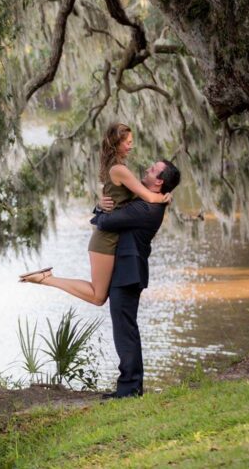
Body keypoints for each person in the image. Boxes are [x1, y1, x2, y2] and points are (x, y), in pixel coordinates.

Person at [18, 123, 170, 305]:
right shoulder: (119, 169)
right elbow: (148, 197)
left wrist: (99, 204)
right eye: (128, 142)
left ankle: (47, 278)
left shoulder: (117, 167)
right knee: (98, 297)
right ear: (117, 143)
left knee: (99, 295)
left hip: (112, 236)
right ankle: (47, 278)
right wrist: (165, 197)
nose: (131, 146)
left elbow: (118, 196)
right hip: (105, 240)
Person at [94, 158, 180, 398]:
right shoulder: (147, 202)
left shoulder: (145, 208)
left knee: (125, 330)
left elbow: (106, 223)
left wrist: (100, 209)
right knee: (127, 329)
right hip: (129, 272)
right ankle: (132, 386)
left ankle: (130, 388)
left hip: (127, 274)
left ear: (159, 182)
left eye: (153, 170)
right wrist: (102, 204)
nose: (146, 169)